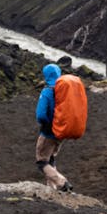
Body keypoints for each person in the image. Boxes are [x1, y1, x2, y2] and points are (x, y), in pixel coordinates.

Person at [34, 62, 72, 192]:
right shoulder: (65, 90)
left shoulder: (47, 91)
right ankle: (52, 188)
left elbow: (41, 114)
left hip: (49, 131)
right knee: (50, 158)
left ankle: (62, 182)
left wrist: (45, 124)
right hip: (62, 131)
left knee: (42, 161)